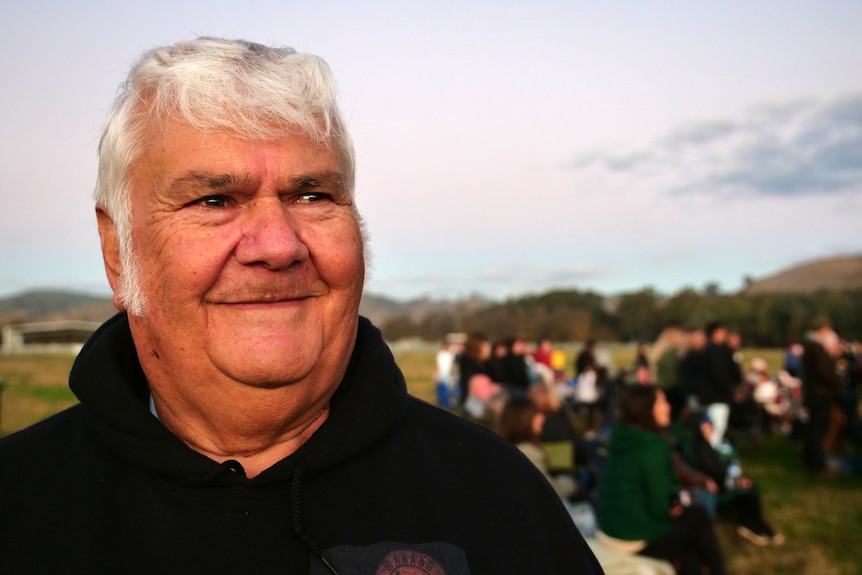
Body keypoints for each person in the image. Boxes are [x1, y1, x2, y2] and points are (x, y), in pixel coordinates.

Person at [0, 38, 602, 574]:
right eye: (214, 200)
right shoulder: (21, 507)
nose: (279, 246)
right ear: (117, 252)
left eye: (313, 195)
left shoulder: (496, 497)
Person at [597, 385, 726, 575]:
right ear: (646, 409)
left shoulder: (622, 434)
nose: (668, 407)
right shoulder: (653, 445)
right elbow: (659, 505)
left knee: (690, 528)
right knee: (697, 521)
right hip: (632, 539)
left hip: (608, 530)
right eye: (662, 402)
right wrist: (670, 507)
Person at [685, 412, 784, 546]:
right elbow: (713, 471)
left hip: (721, 482)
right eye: (707, 427)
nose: (711, 430)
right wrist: (735, 480)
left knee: (749, 485)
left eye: (711, 426)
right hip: (715, 486)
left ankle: (755, 523)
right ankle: (751, 525)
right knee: (750, 488)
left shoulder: (704, 445)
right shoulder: (700, 448)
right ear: (698, 429)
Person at [801, 317, 844, 475]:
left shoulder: (812, 347)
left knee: (814, 428)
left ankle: (811, 460)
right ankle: (817, 464)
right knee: (818, 429)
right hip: (820, 394)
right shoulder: (816, 348)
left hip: (816, 393)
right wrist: (837, 381)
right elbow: (823, 372)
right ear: (823, 331)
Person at [699, 322, 740, 448]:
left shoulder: (708, 350)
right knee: (716, 429)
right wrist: (731, 389)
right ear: (715, 333)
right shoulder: (717, 352)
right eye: (723, 332)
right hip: (718, 397)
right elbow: (720, 375)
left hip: (712, 397)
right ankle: (711, 457)